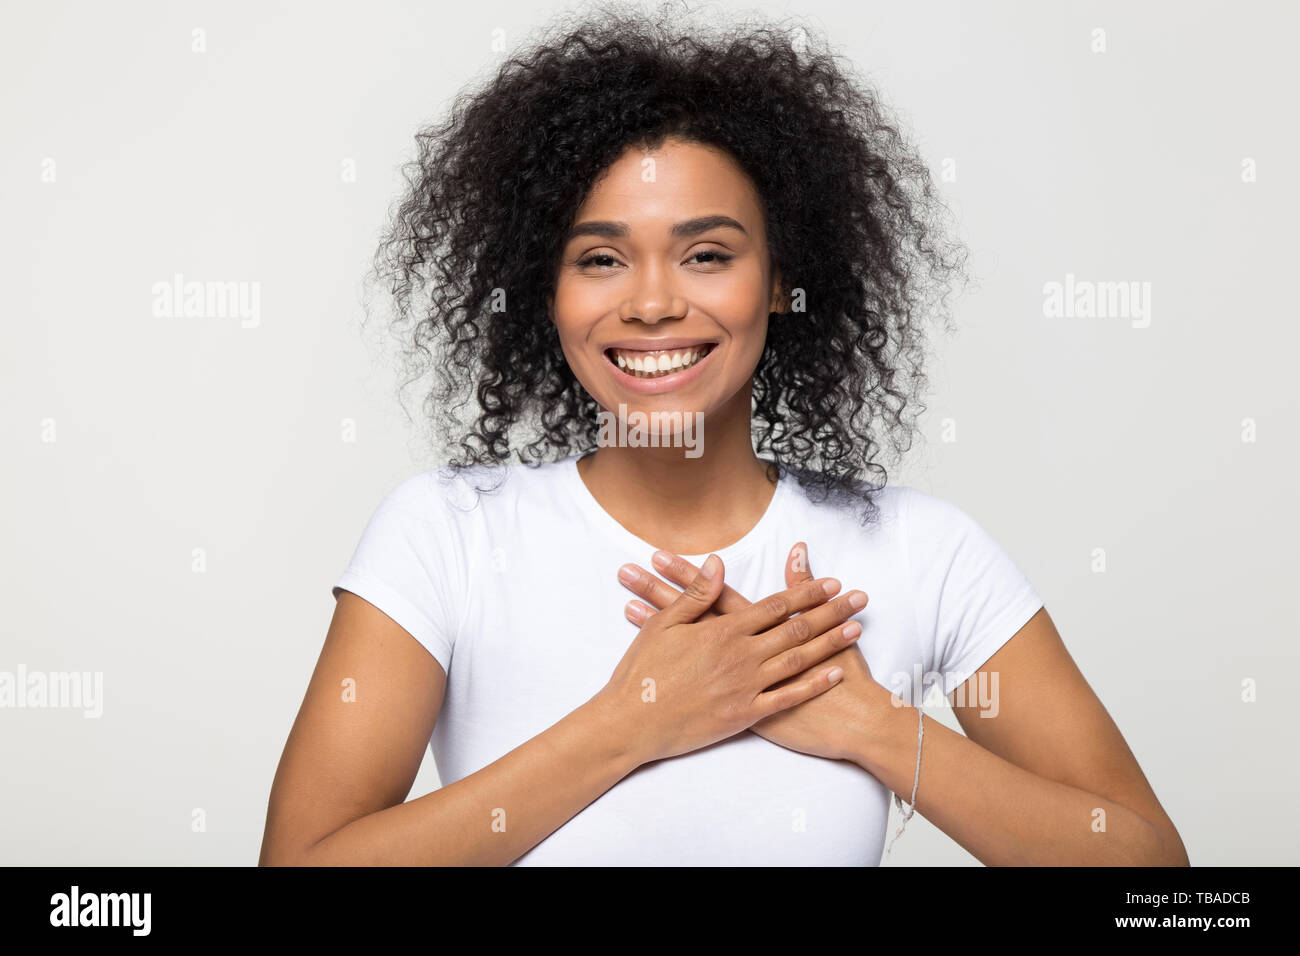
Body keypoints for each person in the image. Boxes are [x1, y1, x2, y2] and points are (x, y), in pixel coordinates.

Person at [258, 7, 1188, 866]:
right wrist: (633, 721)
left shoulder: (919, 551)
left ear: (782, 279)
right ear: (548, 291)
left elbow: (1154, 876)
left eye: (707, 254)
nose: (655, 301)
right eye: (600, 258)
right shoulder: (447, 535)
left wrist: (872, 727)